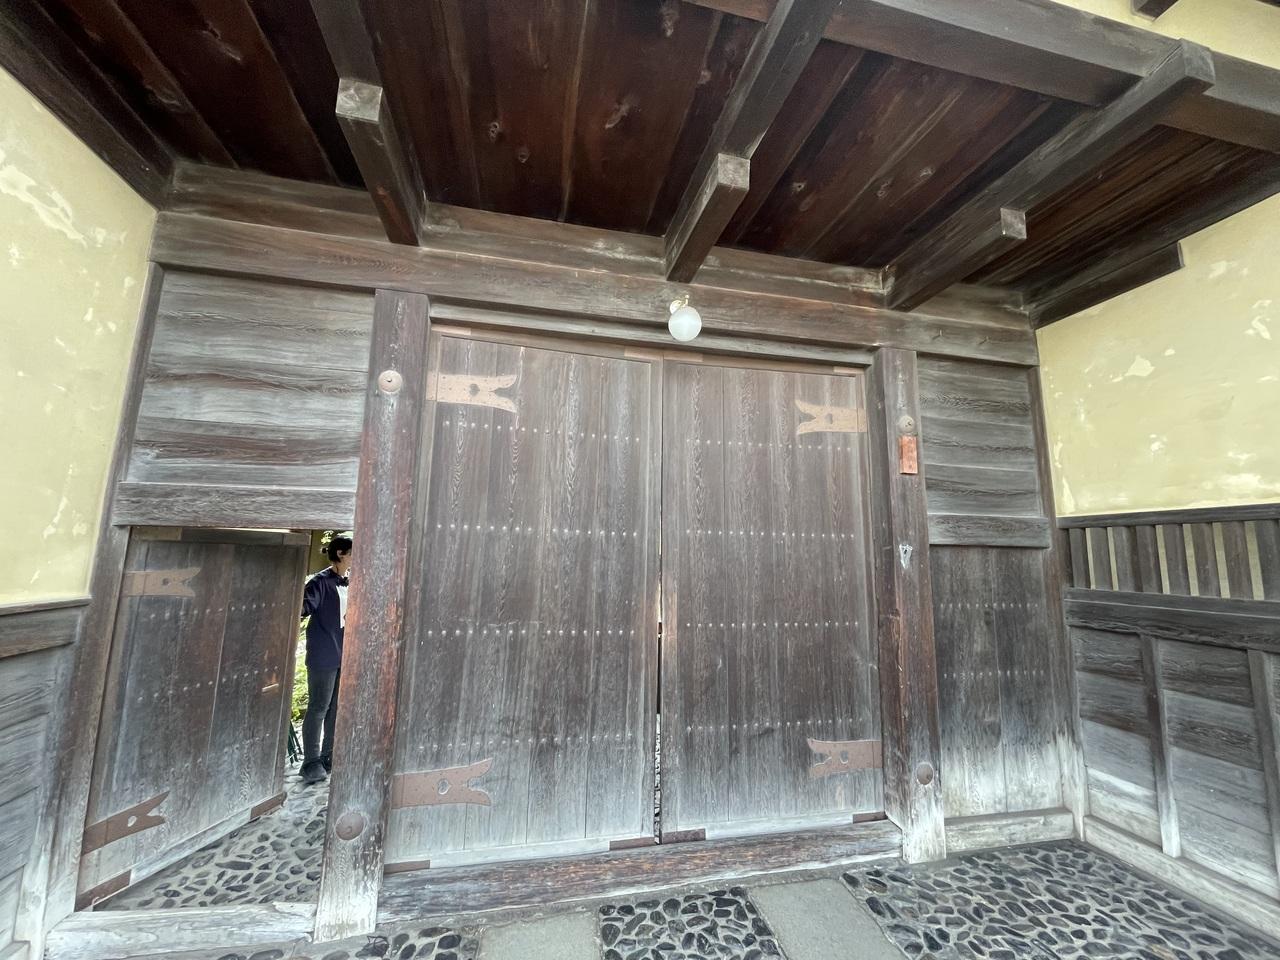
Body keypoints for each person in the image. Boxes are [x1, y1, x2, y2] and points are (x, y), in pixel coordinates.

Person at [299, 535, 352, 784]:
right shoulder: (319, 582)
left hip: (345, 653)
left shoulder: (351, 581)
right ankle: (311, 762)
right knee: (319, 706)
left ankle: (329, 755)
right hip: (323, 653)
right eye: (353, 553)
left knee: (337, 707)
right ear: (341, 553)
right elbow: (302, 607)